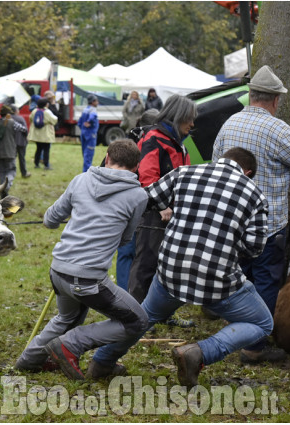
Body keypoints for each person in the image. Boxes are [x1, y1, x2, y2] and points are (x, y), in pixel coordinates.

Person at [90, 148, 272, 387]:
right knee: (262, 323)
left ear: (221, 160)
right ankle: (200, 352)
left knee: (145, 317)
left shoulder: (184, 173)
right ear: (247, 172)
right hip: (217, 280)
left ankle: (102, 361)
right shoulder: (256, 195)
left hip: (171, 271)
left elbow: (146, 199)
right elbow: (254, 248)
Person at [14, 139, 149, 379]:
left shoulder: (81, 180)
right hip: (88, 280)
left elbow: (49, 219)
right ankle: (70, 344)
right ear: (136, 166)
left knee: (67, 316)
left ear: (107, 158)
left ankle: (29, 360)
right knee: (137, 320)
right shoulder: (138, 195)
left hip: (58, 270)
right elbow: (126, 239)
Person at [212, 65, 290, 364]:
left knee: (238, 280)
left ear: (251, 95)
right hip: (268, 224)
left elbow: (215, 168)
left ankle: (236, 334)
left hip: (232, 222)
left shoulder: (228, 125)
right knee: (265, 282)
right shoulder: (279, 130)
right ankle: (255, 345)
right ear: (275, 100)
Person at [127, 95, 196, 311]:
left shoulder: (178, 142)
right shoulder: (154, 138)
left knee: (166, 265)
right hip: (152, 213)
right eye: (189, 119)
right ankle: (133, 315)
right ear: (178, 117)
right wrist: (161, 206)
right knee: (146, 263)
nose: (192, 124)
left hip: (172, 214)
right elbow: (146, 178)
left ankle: (161, 313)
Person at [114, 109, 159, 292]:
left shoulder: (126, 143)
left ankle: (127, 294)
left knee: (129, 251)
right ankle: (126, 297)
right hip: (133, 206)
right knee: (129, 250)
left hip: (127, 205)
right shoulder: (144, 144)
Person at [0, 104, 28, 198]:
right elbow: (23, 129)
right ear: (8, 114)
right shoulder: (12, 123)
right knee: (11, 171)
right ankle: (6, 187)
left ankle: (1, 190)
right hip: (10, 151)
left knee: (2, 172)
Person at [28, 98, 57, 170]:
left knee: (38, 149)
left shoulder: (34, 111)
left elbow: (30, 119)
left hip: (37, 135)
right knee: (46, 150)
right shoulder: (47, 112)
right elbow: (54, 120)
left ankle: (36, 164)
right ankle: (46, 165)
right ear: (46, 104)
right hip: (46, 134)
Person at [78, 94, 99, 173]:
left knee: (84, 153)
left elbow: (79, 123)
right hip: (91, 134)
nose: (98, 103)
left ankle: (85, 170)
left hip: (83, 133)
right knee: (89, 153)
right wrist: (89, 121)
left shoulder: (85, 109)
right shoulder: (93, 110)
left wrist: (83, 129)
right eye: (96, 101)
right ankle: (86, 172)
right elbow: (93, 116)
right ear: (93, 102)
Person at [11, 105, 31, 178]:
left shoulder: (7, 119)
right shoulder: (20, 118)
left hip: (11, 142)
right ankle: (24, 173)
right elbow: (25, 130)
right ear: (16, 111)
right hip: (21, 141)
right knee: (22, 158)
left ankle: (12, 173)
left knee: (12, 158)